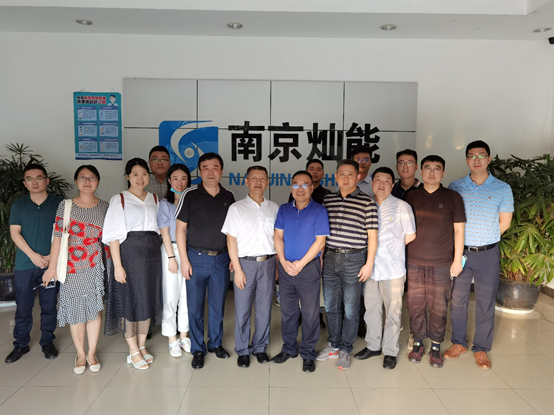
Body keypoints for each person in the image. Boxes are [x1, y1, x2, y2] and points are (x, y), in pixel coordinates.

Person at [445, 141, 514, 370]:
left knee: (485, 302)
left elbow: (505, 223)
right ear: (466, 160)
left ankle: (481, 348)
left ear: (489, 159)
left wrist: (483, 237)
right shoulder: (455, 186)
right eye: (472, 156)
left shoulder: (502, 188)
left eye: (481, 155)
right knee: (458, 301)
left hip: (488, 253)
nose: (476, 160)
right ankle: (458, 343)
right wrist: (460, 249)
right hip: (461, 252)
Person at [43, 165, 110, 374]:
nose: (87, 182)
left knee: (94, 310)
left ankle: (92, 353)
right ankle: (80, 354)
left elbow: (110, 238)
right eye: (83, 177)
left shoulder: (105, 206)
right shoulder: (66, 206)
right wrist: (51, 268)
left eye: (92, 178)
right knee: (75, 310)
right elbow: (57, 237)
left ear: (98, 181)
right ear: (76, 181)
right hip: (70, 266)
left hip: (95, 265)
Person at [175, 152, 235, 370]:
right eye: (206, 168)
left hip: (221, 259)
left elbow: (233, 232)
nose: (211, 172)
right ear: (200, 172)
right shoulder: (190, 195)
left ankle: (215, 344)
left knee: (218, 305)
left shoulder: (228, 196)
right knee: (195, 307)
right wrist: (184, 260)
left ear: (221, 171)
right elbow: (180, 230)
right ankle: (198, 349)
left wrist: (232, 257)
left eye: (215, 167)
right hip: (196, 258)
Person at [102, 158, 163, 370]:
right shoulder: (119, 199)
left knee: (147, 299)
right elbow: (113, 236)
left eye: (144, 174)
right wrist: (117, 266)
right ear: (127, 176)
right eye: (135, 174)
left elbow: (159, 229)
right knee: (129, 301)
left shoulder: (154, 198)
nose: (140, 178)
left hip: (152, 255)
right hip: (129, 254)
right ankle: (132, 349)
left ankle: (142, 345)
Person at [317, 159, 378, 370]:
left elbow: (372, 236)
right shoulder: (328, 200)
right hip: (330, 257)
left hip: (354, 259)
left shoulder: (367, 202)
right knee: (331, 306)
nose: (345, 178)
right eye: (341, 174)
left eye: (350, 174)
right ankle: (334, 344)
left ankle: (345, 348)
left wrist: (369, 263)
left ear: (358, 177)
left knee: (351, 308)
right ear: (335, 177)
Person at [405, 155, 465, 368]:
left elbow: (459, 231)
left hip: (441, 262)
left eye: (437, 168)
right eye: (427, 168)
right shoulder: (411, 197)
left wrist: (457, 261)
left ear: (443, 172)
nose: (432, 172)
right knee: (415, 304)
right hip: (414, 261)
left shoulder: (453, 197)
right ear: (421, 171)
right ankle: (418, 342)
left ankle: (436, 345)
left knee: (439, 306)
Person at [355, 167, 416, 369]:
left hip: (393, 269)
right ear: (372, 183)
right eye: (378, 180)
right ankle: (373, 346)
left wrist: (392, 248)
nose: (381, 184)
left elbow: (410, 235)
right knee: (371, 309)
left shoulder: (402, 206)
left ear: (392, 184)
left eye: (386, 181)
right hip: (369, 269)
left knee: (393, 311)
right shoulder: (364, 205)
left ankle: (390, 350)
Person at [271, 170, 330, 373]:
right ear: (291, 187)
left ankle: (308, 353)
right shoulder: (284, 209)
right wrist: (283, 261)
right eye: (296, 184)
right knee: (287, 311)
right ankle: (289, 348)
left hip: (308, 268)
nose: (300, 188)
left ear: (312, 188)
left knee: (310, 312)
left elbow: (320, 242)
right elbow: (278, 237)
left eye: (305, 184)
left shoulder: (319, 211)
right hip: (286, 267)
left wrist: (300, 264)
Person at [221, 165, 279, 368]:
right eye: (254, 178)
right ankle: (243, 349)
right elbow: (230, 241)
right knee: (243, 310)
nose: (258, 182)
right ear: (246, 181)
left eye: (262, 178)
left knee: (264, 309)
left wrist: (277, 265)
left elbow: (278, 239)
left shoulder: (274, 208)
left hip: (268, 263)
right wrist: (237, 269)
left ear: (267, 182)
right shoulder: (236, 208)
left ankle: (260, 347)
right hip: (245, 264)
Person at [6, 164, 62, 364]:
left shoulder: (60, 204)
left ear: (47, 180)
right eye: (30, 179)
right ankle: (21, 344)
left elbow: (64, 233)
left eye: (39, 177)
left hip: (51, 264)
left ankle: (47, 341)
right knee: (23, 306)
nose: (35, 182)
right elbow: (15, 233)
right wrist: (34, 256)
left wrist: (50, 257)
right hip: (25, 264)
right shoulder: (19, 205)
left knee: (49, 305)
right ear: (25, 183)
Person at [287, 158, 332, 327]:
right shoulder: (296, 194)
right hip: (299, 249)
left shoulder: (327, 194)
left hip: (318, 247)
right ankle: (301, 315)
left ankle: (316, 316)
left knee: (314, 288)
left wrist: (321, 253)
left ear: (323, 173)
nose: (315, 172)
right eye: (311, 169)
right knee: (297, 287)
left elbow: (324, 230)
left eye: (318, 169)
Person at [158, 164, 192, 357]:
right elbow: (164, 231)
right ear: (169, 180)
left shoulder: (193, 201)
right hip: (171, 250)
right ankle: (172, 338)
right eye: (176, 178)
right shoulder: (165, 203)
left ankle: (184, 335)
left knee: (187, 296)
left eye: (183, 178)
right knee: (171, 296)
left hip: (189, 252)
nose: (180, 182)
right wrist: (171, 257)